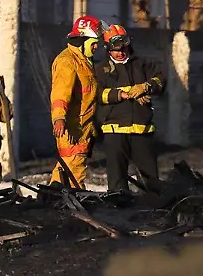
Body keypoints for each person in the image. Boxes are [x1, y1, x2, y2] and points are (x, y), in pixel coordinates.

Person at [95, 24, 165, 193]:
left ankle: (153, 209)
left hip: (142, 130)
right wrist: (124, 94)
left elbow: (162, 80)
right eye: (115, 50)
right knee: (117, 179)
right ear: (108, 49)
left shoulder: (142, 65)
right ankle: (119, 210)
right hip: (115, 131)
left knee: (150, 180)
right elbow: (97, 95)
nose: (120, 53)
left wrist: (147, 86)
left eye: (123, 48)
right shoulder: (100, 70)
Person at [49, 15, 105, 188]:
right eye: (94, 43)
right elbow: (60, 93)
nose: (97, 47)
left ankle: (51, 200)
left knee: (65, 170)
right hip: (73, 130)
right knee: (74, 173)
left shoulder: (83, 62)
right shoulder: (68, 62)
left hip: (82, 129)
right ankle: (71, 207)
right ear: (82, 40)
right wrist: (59, 118)